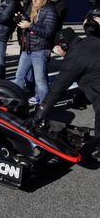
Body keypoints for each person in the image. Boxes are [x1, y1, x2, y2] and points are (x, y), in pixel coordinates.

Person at [33, 23, 100, 161]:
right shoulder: (91, 40)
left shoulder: (73, 59)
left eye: (56, 49)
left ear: (64, 45)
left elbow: (56, 90)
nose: (56, 52)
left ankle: (97, 150)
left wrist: (39, 114)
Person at [13, 0, 57, 104]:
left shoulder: (50, 10)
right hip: (27, 48)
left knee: (40, 80)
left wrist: (30, 25)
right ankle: (14, 100)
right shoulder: (32, 6)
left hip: (40, 50)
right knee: (19, 76)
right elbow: (27, 20)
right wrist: (20, 19)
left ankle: (44, 106)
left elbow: (48, 32)